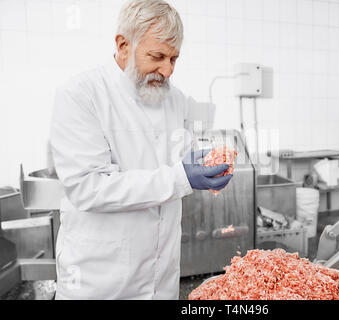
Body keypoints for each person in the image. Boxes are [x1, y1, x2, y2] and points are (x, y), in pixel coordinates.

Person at [49, 0, 233, 300]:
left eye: (174, 59)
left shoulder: (175, 99)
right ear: (123, 45)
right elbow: (88, 187)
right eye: (157, 56)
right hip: (101, 283)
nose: (167, 70)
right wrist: (183, 177)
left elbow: (180, 156)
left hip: (162, 281)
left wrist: (206, 162)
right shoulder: (81, 95)